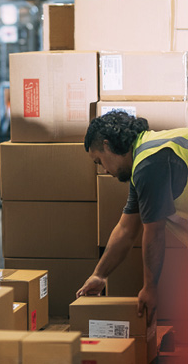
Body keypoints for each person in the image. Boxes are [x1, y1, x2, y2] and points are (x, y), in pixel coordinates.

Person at [76, 110, 188, 325]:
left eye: (99, 160)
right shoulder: (143, 159)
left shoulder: (149, 162)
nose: (104, 169)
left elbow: (153, 232)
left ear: (107, 145)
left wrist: (150, 288)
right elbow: (127, 229)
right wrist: (100, 275)